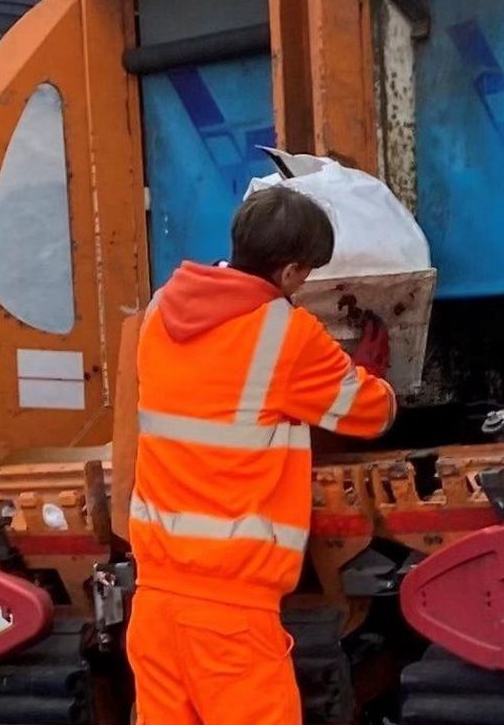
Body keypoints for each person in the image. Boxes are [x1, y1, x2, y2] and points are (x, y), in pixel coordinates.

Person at [125, 185, 397, 724]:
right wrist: (372, 373)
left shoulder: (159, 314)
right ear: (292, 272)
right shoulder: (286, 334)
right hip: (230, 618)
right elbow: (370, 413)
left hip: (154, 606)